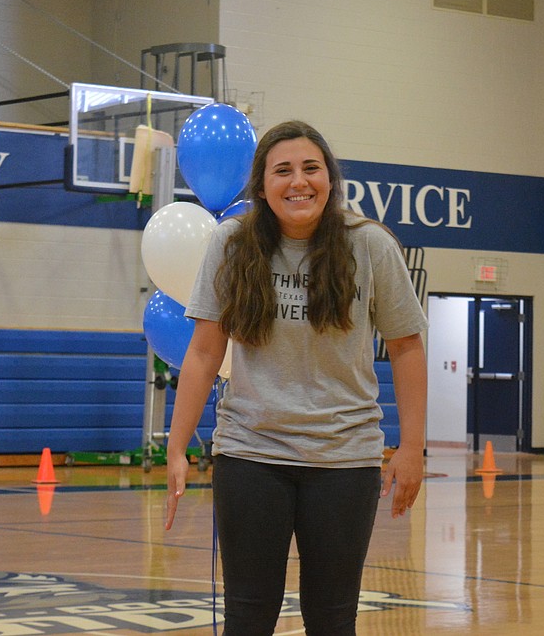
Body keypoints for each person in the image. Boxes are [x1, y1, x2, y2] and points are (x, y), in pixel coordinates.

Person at [164, 120, 428, 635]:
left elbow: (406, 346)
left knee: (332, 619)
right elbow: (202, 351)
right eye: (281, 170)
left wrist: (411, 447)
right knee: (248, 614)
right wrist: (177, 447)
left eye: (311, 168)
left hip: (345, 458)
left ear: (330, 179)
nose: (298, 181)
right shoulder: (232, 244)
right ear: (261, 186)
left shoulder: (370, 245)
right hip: (251, 454)